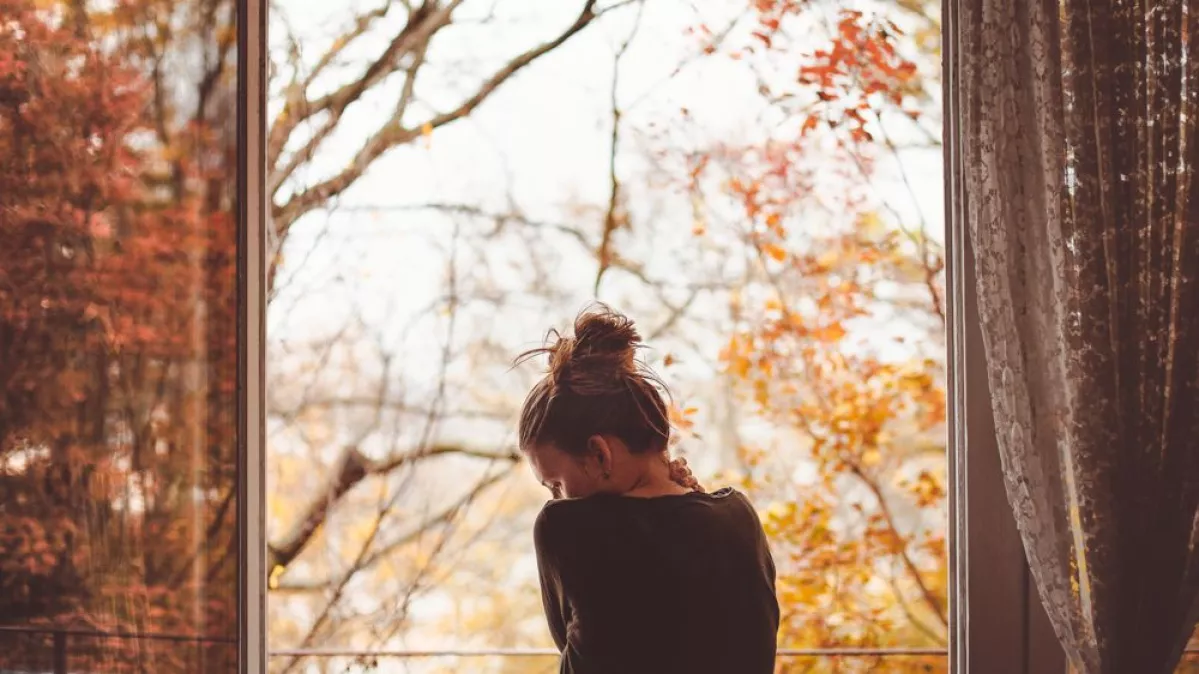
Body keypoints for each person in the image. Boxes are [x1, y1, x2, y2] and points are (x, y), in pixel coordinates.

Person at [516, 305, 780, 674]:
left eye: (556, 484)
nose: (558, 499)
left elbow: (571, 642)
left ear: (599, 454)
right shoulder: (739, 517)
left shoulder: (567, 529)